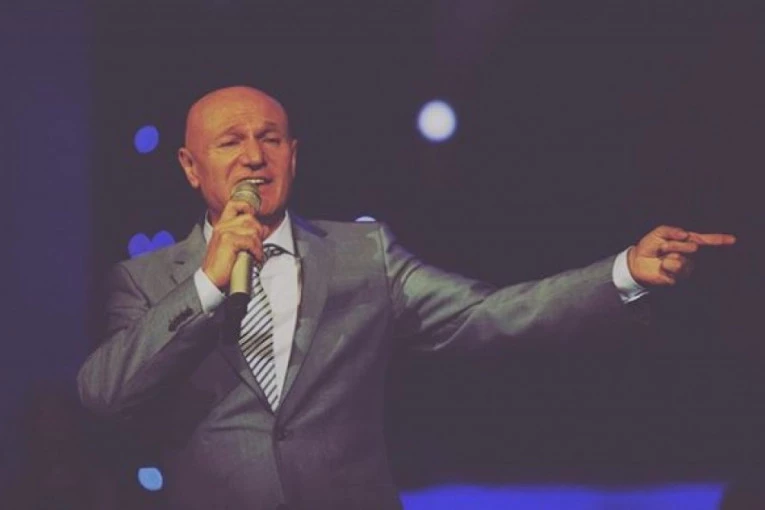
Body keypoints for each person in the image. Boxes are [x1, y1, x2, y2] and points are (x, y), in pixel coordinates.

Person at [77, 86, 736, 510]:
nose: (254, 156)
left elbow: (486, 314)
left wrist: (622, 272)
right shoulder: (145, 279)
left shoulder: (363, 254)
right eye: (230, 142)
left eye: (270, 138)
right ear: (190, 167)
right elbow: (105, 395)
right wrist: (206, 285)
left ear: (293, 156)